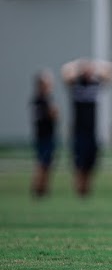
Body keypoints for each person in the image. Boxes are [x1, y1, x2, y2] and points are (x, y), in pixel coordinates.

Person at [61, 58, 112, 197]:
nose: (88, 71)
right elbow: (65, 72)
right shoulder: (76, 84)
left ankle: (87, 190)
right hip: (78, 130)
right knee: (78, 162)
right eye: (85, 69)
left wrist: (96, 66)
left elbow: (111, 71)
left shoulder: (95, 84)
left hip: (92, 130)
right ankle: (78, 189)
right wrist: (78, 64)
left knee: (91, 162)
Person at [30, 70, 59, 198]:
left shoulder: (37, 100)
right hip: (45, 136)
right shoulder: (43, 100)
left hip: (44, 135)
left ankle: (42, 189)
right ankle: (38, 189)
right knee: (43, 163)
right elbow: (53, 115)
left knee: (46, 163)